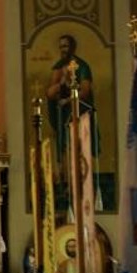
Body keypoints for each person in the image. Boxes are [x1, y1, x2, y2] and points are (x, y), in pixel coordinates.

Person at [45, 33, 95, 183]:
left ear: (72, 47)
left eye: (65, 46)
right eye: (61, 47)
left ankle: (80, 179)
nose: (63, 49)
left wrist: (68, 99)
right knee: (63, 146)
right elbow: (50, 93)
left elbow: (85, 92)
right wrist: (61, 82)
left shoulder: (82, 66)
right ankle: (64, 178)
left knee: (77, 146)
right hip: (63, 115)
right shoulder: (58, 67)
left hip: (79, 113)